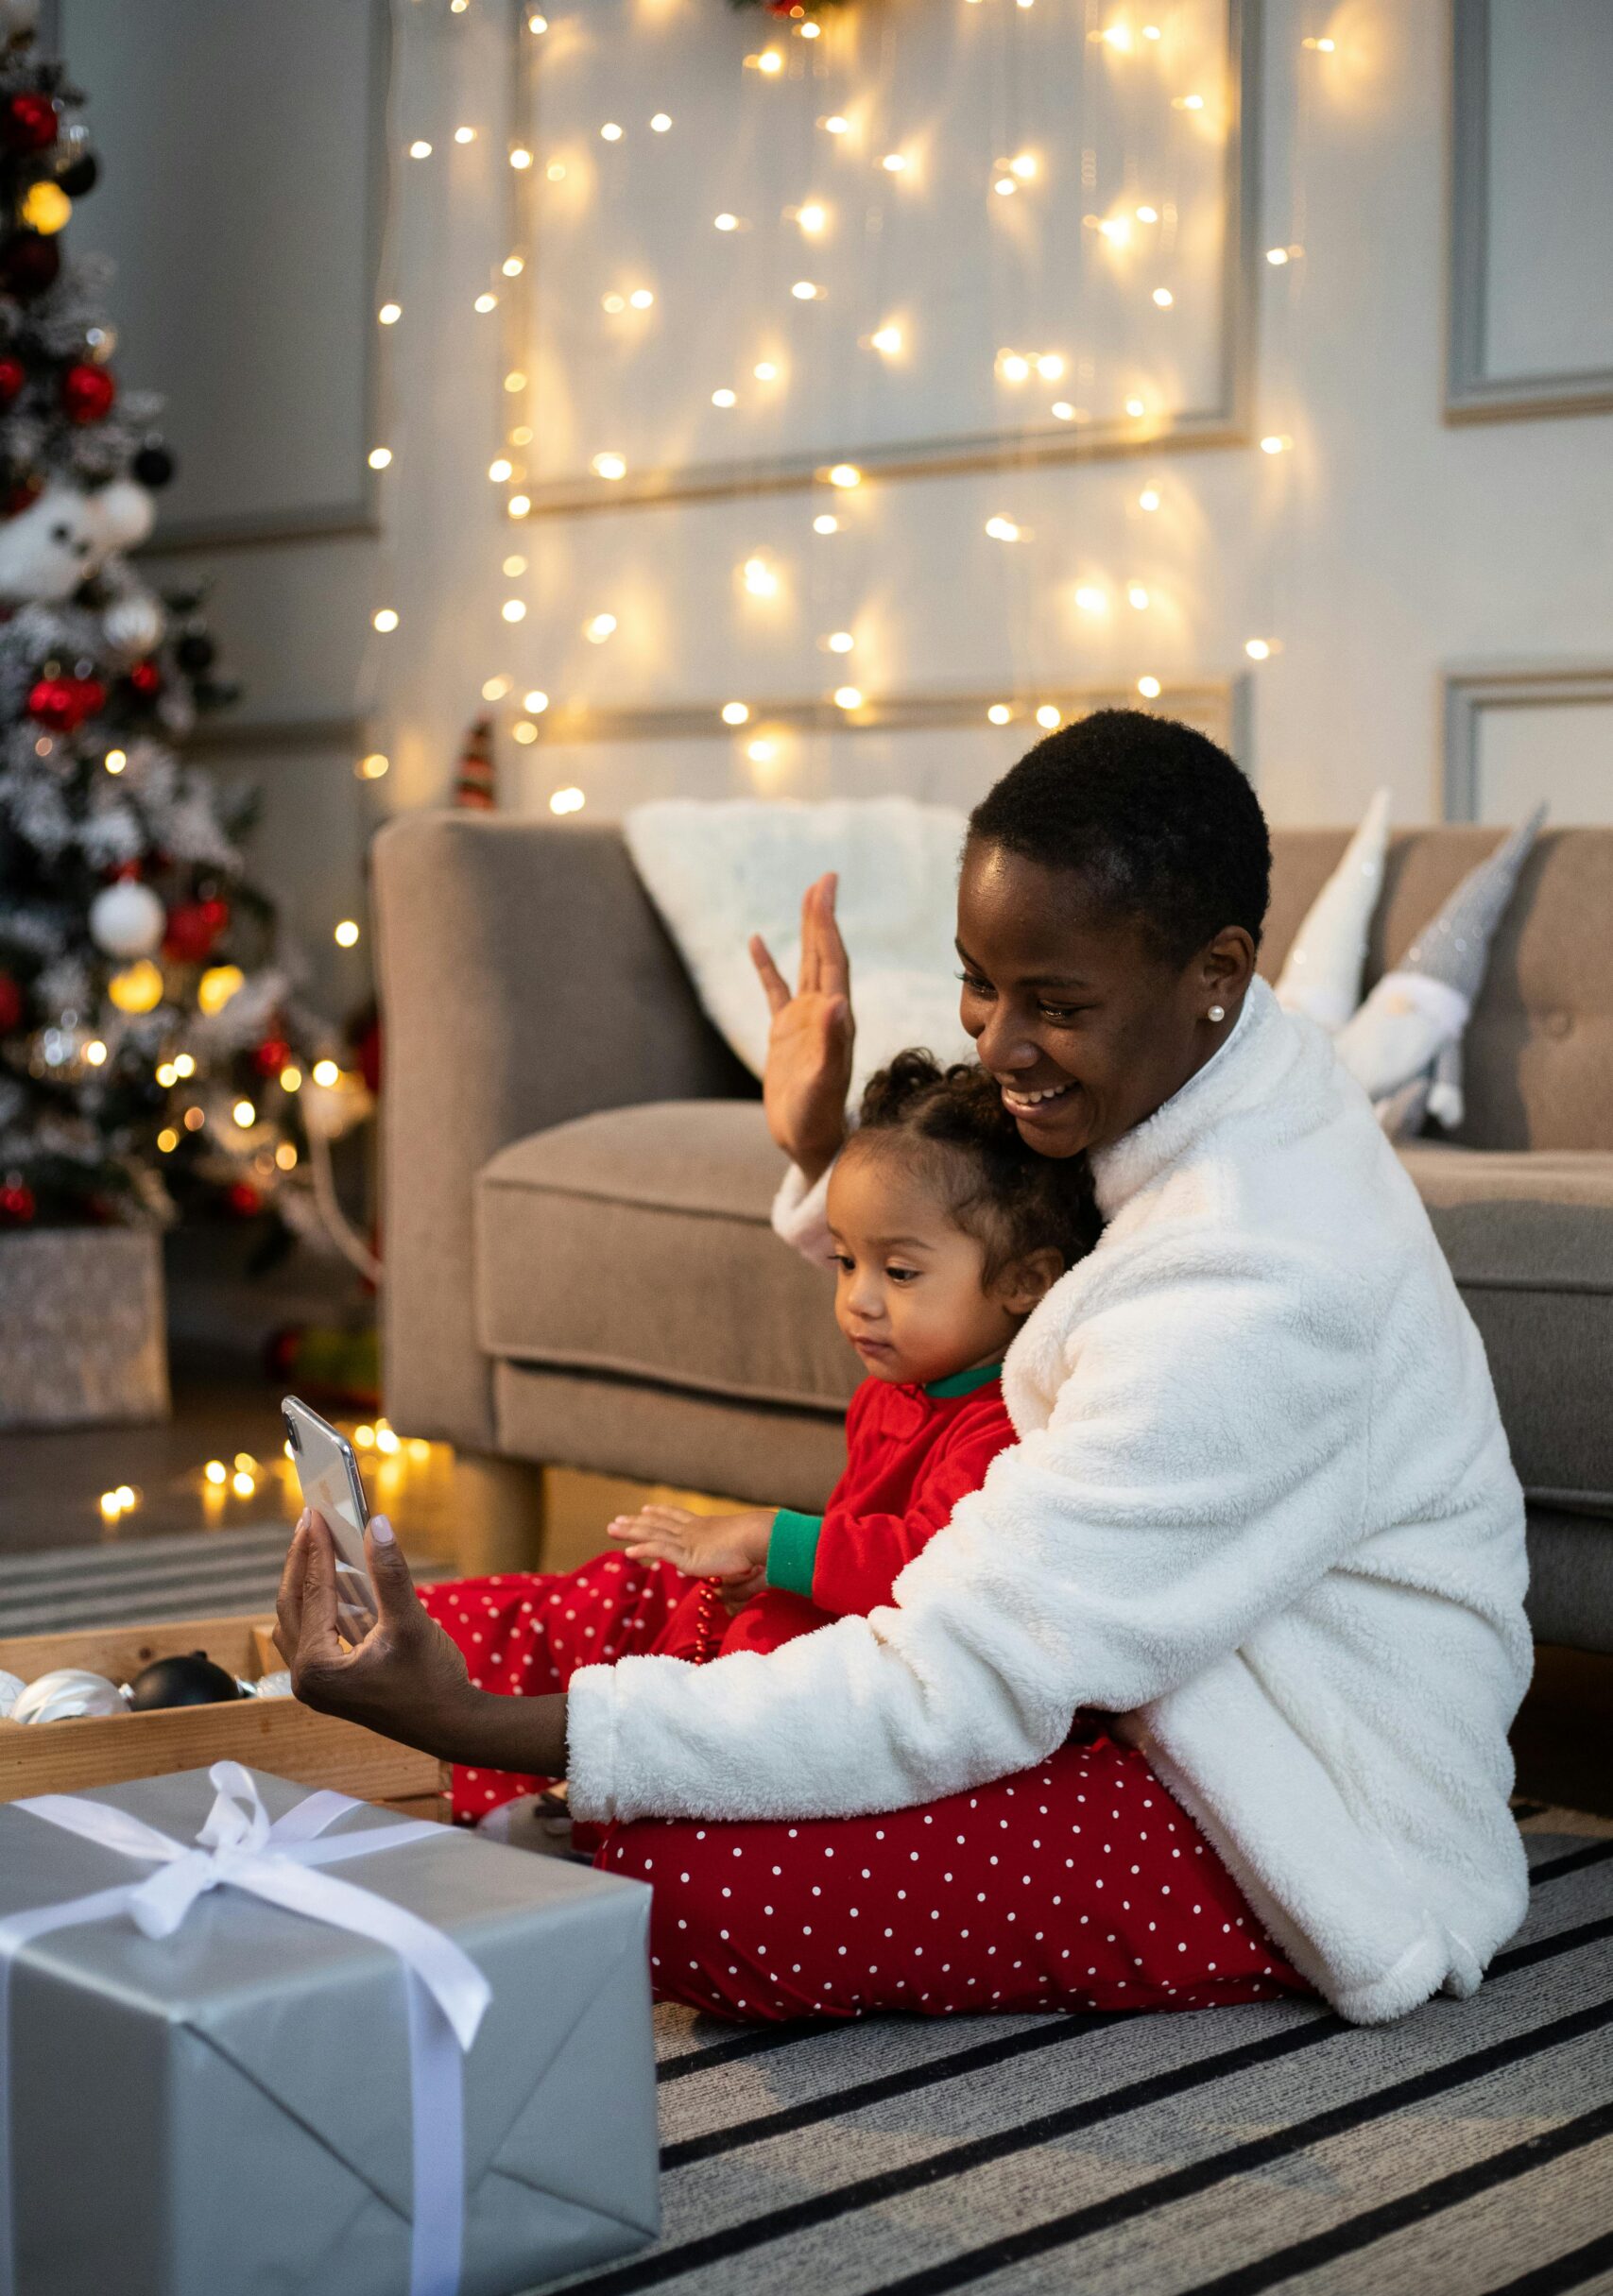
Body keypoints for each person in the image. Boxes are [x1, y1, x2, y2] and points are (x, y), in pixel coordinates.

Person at [275, 711, 1531, 2028]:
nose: (995, 1044)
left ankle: (496, 1773)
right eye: (978, 982)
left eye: (1054, 1005)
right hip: (1112, 1662)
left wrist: (478, 1730)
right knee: (637, 1601)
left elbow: (952, 1677)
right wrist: (820, 1153)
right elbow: (1013, 1256)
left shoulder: (1253, 1283)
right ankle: (395, 1717)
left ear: (1214, 967)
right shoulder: (1201, 1064)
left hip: (1278, 1790)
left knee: (682, 1878)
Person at [426, 1049, 1091, 1831]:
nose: (858, 1301)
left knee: (755, 1654)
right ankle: (438, 1682)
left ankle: (597, 1808)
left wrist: (771, 1539)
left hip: (879, 1667)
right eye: (846, 1263)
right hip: (830, 1618)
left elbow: (926, 1566)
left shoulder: (999, 1428)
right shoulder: (894, 1390)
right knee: (635, 1590)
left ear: (1025, 1282)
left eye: (900, 1274)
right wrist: (775, 1569)